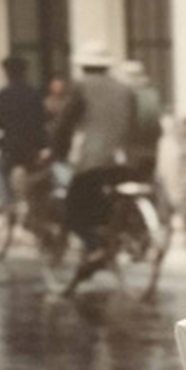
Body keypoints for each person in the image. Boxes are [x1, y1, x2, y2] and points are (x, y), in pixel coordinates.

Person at [50, 41, 137, 270]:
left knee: (73, 210)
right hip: (125, 161)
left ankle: (95, 247)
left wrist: (58, 151)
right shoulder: (124, 88)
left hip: (95, 160)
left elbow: (65, 123)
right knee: (104, 204)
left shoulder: (81, 87)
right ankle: (114, 242)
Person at [0, 55, 48, 214]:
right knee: (36, 178)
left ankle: (8, 205)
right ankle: (34, 207)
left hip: (10, 147)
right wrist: (43, 146)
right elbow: (41, 122)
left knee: (1, 171)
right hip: (31, 148)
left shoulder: (3, 94)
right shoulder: (34, 93)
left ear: (7, 73)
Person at [117, 60, 162, 184]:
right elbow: (157, 128)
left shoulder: (125, 97)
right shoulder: (152, 94)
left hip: (131, 151)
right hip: (150, 150)